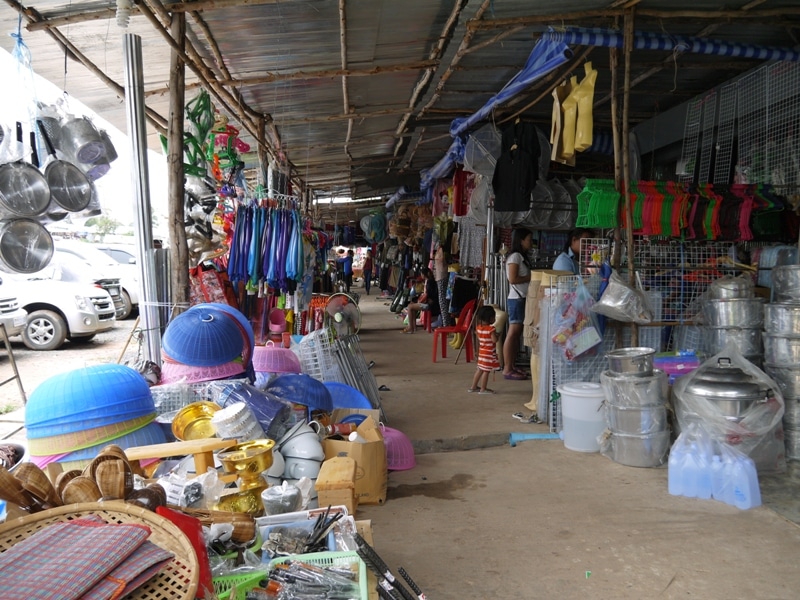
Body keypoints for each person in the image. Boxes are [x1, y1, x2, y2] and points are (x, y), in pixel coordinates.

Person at [503, 228, 534, 380]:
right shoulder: (515, 257)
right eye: (529, 239)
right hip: (516, 299)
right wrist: (531, 277)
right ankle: (507, 368)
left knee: (516, 335)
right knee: (513, 333)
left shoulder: (520, 257)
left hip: (521, 298)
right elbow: (513, 279)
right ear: (521, 240)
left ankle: (512, 366)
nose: (531, 242)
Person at [469, 305, 500, 394]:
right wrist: (497, 335)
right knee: (486, 371)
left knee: (479, 369)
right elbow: (494, 340)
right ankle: (483, 389)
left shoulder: (478, 328)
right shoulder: (491, 329)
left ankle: (473, 387)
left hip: (482, 352)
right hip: (488, 353)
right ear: (490, 318)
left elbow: (481, 338)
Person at [402, 267, 440, 334]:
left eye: (421, 274)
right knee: (411, 306)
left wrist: (420, 300)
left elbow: (428, 295)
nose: (421, 275)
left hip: (430, 305)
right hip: (429, 303)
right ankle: (413, 327)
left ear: (424, 274)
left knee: (410, 307)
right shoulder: (429, 281)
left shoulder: (430, 282)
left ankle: (411, 327)